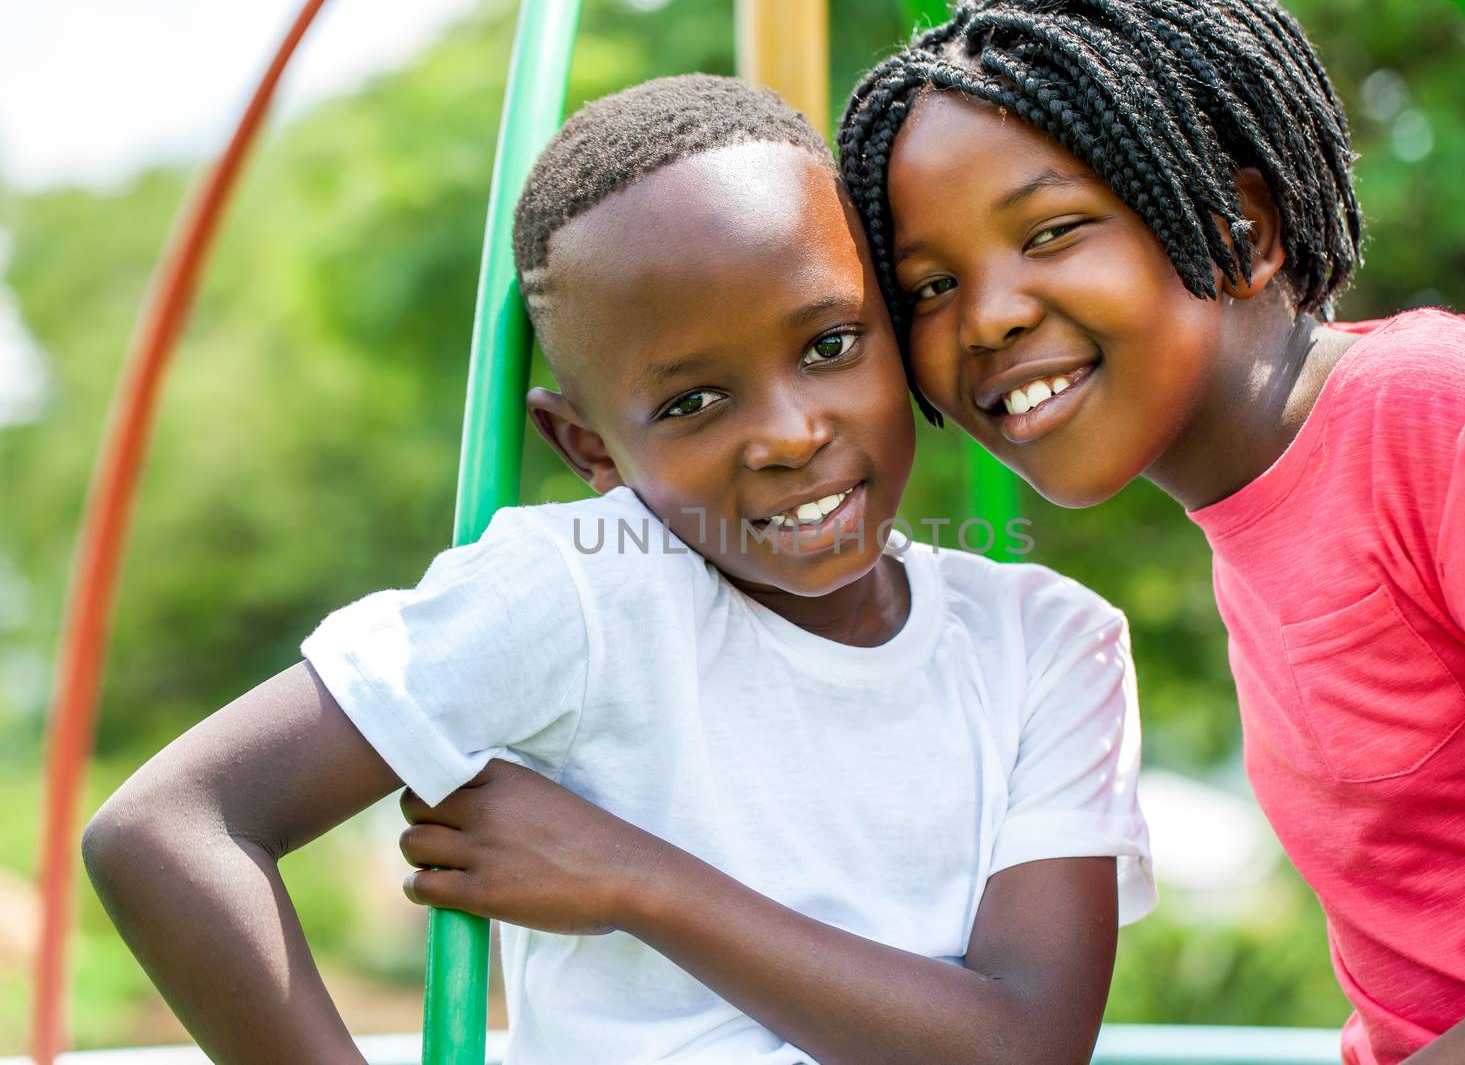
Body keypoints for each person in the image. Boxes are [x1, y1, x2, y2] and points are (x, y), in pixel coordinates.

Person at [81, 75, 1154, 1065]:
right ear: (590, 450)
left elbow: (1024, 1044)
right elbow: (168, 829)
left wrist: (636, 880)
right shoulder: (585, 592)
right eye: (692, 401)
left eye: (830, 344)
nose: (788, 433)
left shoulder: (1045, 639)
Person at [834, 0, 1465, 1063]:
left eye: (1049, 231)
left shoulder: (1432, 417)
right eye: (930, 285)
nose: (988, 316)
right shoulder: (1253, 501)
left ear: (1240, 230)